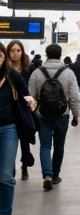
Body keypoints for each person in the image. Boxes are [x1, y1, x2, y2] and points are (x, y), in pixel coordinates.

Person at [27, 44, 80, 191]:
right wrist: (75, 115)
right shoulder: (68, 73)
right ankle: (56, 175)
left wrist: (34, 113)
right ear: (60, 55)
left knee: (45, 145)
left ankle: (47, 175)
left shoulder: (37, 73)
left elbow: (30, 97)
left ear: (46, 55)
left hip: (43, 114)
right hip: (62, 114)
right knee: (59, 145)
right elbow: (74, 97)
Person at [0, 41, 35, 215]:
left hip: (8, 129)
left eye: (0, 55)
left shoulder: (12, 75)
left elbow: (24, 95)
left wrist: (31, 100)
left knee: (5, 175)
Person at [6, 41, 34, 180]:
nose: (15, 53)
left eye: (18, 50)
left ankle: (24, 166)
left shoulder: (28, 68)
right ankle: (10, 168)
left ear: (22, 52)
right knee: (7, 144)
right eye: (12, 50)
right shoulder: (4, 69)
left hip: (23, 109)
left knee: (24, 140)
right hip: (8, 110)